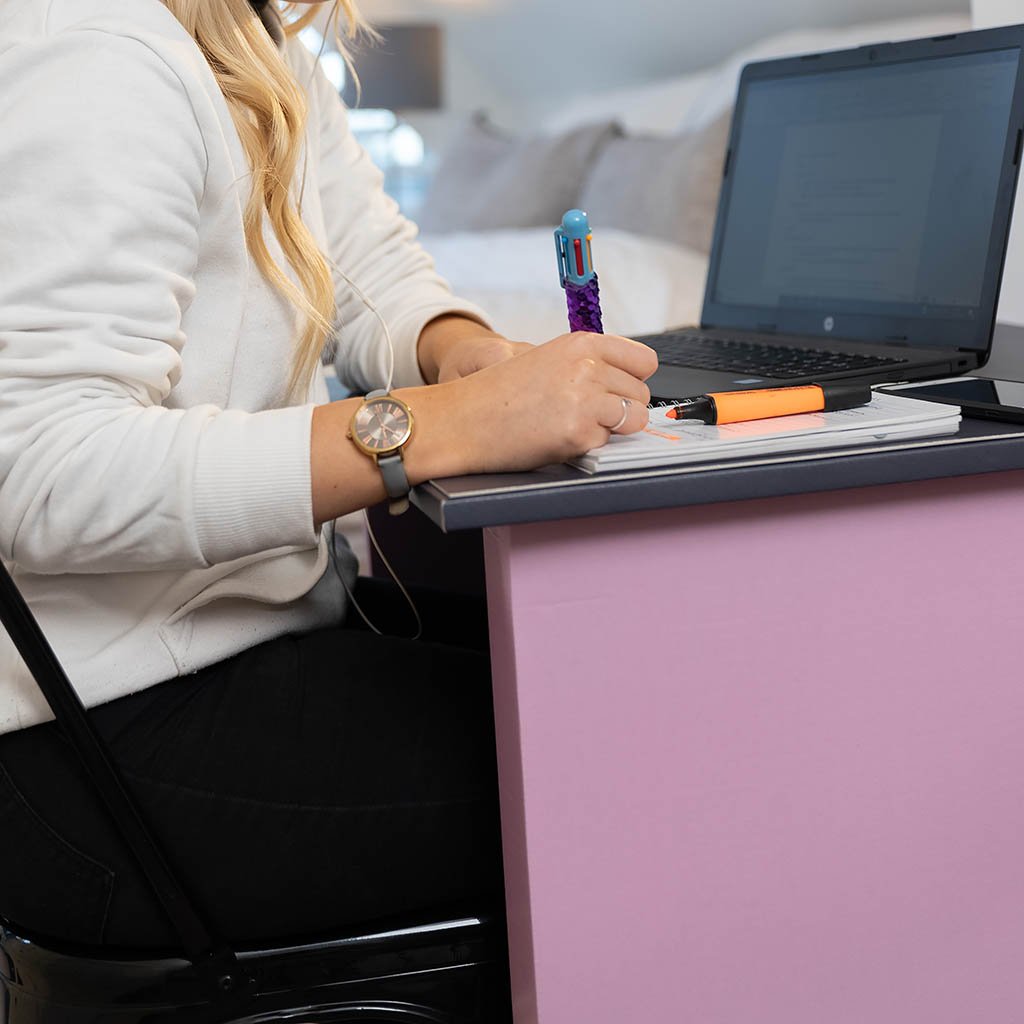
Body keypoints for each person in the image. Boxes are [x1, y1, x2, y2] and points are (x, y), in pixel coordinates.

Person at [0, 0, 656, 948]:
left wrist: (460, 352)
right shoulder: (97, 53)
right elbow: (43, 473)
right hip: (97, 742)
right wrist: (437, 427)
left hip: (221, 652)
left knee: (620, 674)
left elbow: (364, 265)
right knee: (644, 763)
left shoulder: (249, 39)